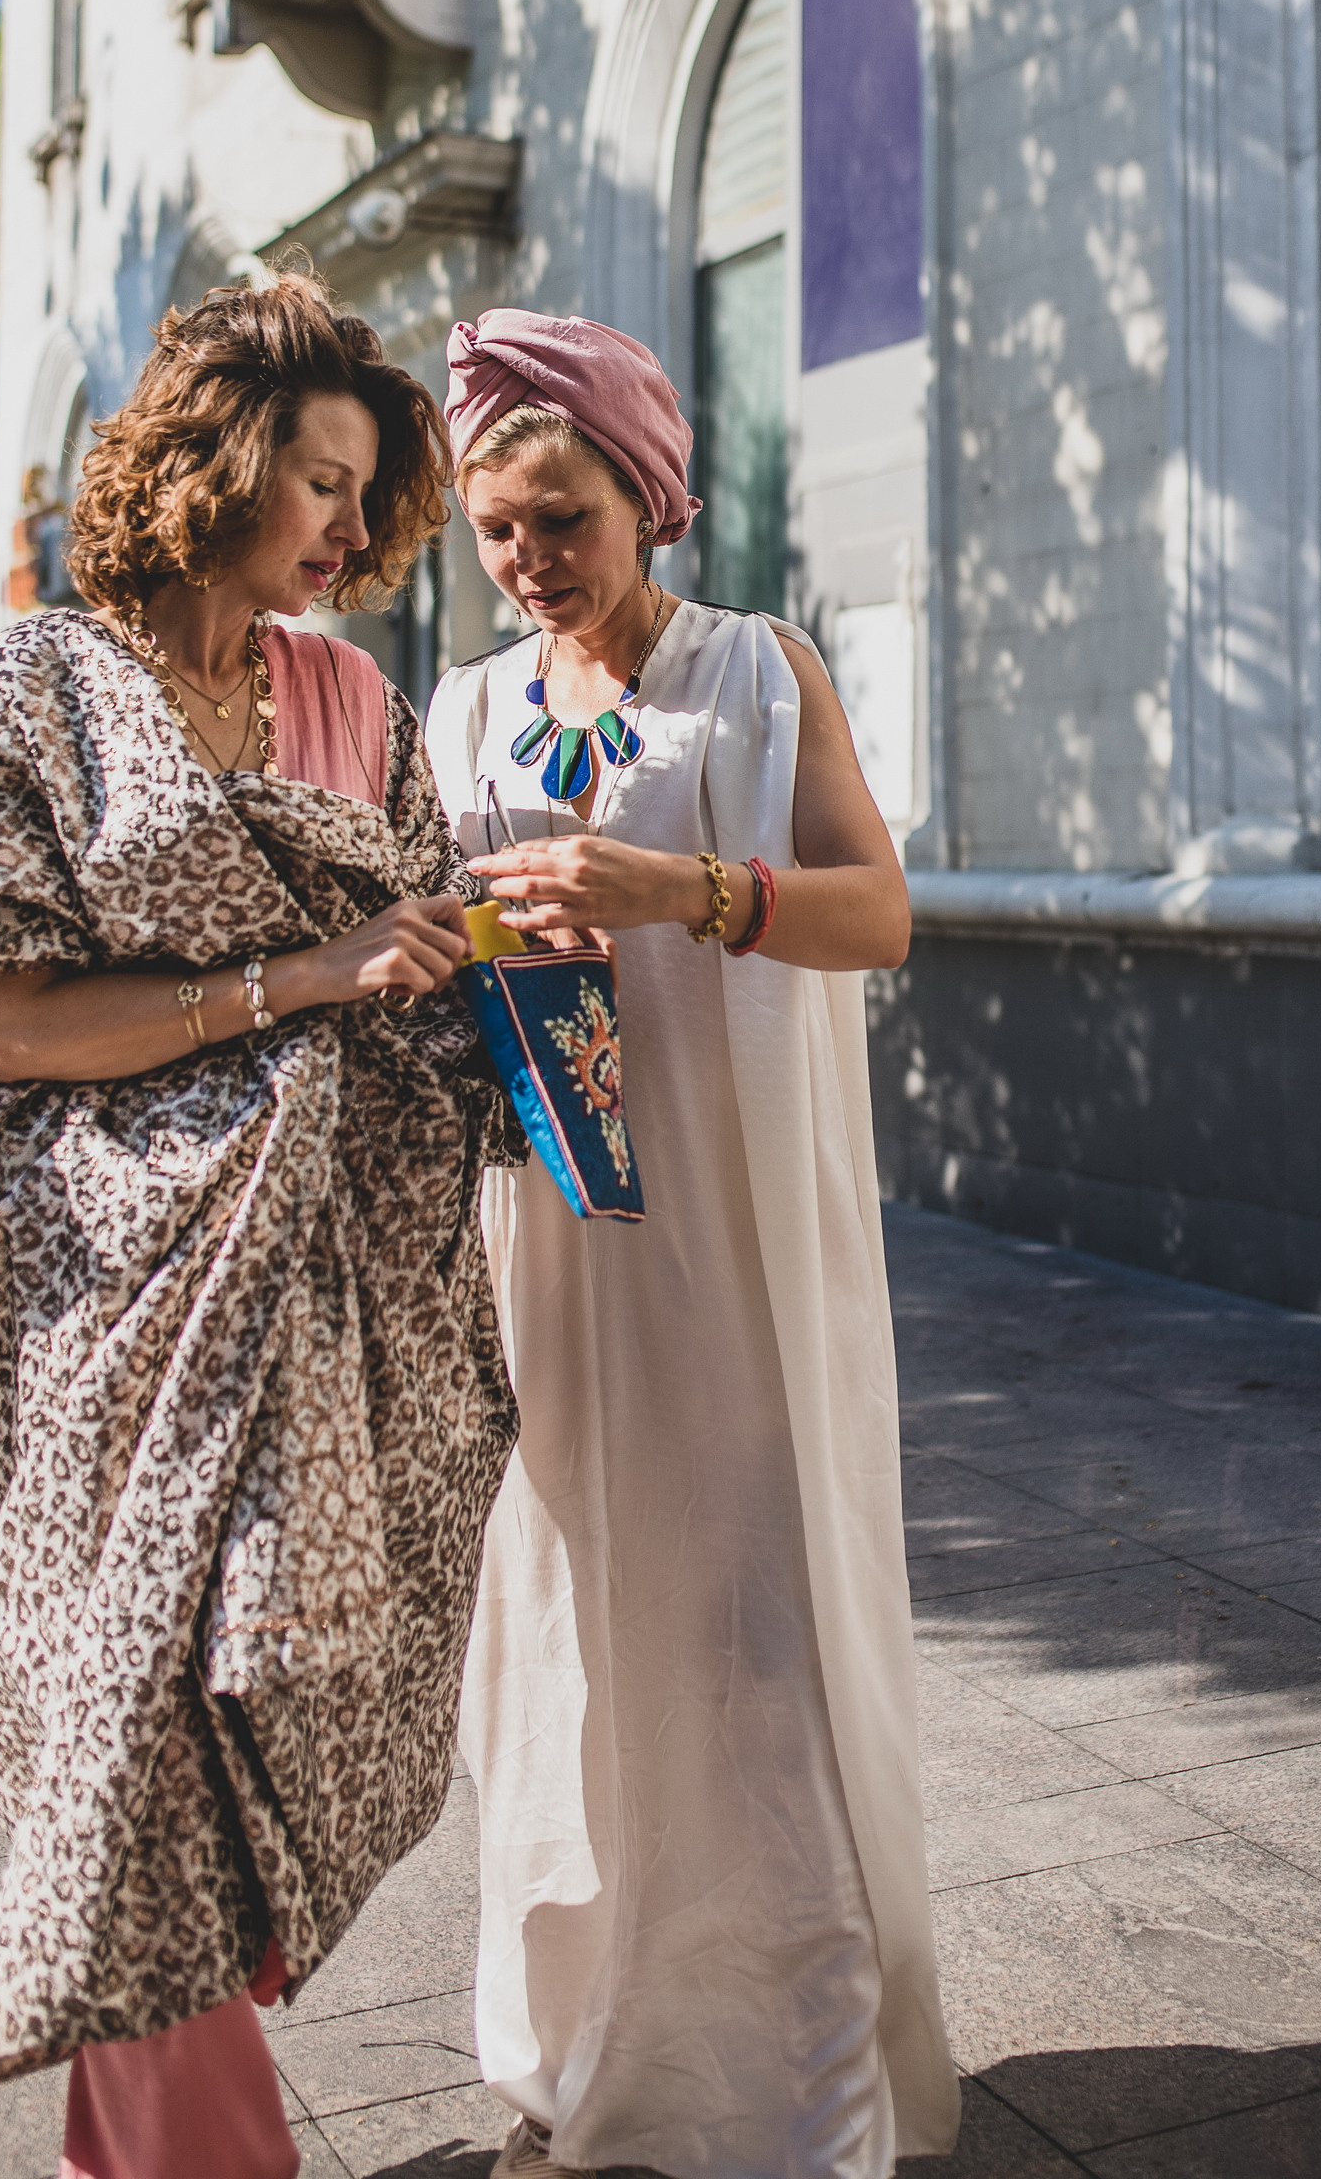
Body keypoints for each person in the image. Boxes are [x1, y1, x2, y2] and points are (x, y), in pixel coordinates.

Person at [0, 275, 517, 2179]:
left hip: (317, 1286)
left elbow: (409, 958)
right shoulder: (31, 683)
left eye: (370, 491)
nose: (357, 532)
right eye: (325, 484)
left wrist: (490, 956)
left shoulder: (345, 695)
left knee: (231, 1717)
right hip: (97, 1289)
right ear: (221, 463)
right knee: (137, 1734)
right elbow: (6, 1023)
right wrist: (301, 974)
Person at [423, 309, 959, 2179]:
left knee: (753, 1642)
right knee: (564, 1643)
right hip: (550, 1242)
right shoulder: (472, 708)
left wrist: (687, 892)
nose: (528, 559)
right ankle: (575, 2057)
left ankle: (785, 2103)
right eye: (496, 528)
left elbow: (879, 917)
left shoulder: (757, 672)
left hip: (729, 1247)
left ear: (648, 493)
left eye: (560, 515)